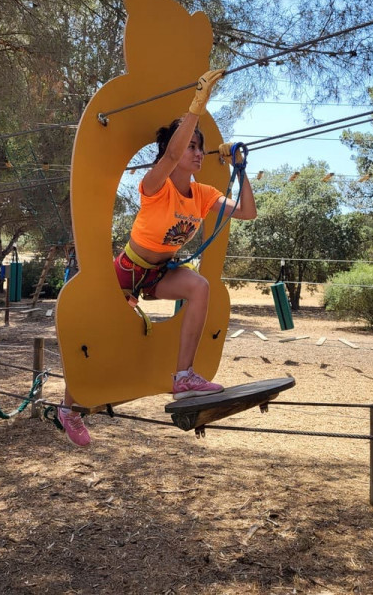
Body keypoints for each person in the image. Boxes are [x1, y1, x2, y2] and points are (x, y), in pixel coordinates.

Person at [58, 69, 257, 446]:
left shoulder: (203, 194)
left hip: (159, 273)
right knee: (105, 336)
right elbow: (168, 154)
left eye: (201, 148)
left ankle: (184, 376)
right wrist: (196, 108)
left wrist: (240, 169)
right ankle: (68, 408)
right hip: (126, 270)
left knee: (198, 287)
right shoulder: (155, 186)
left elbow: (247, 212)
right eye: (192, 147)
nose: (198, 154)